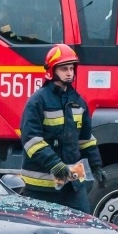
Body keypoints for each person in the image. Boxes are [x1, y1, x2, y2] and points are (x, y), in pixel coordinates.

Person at [19, 43, 105, 213]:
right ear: (52, 71)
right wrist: (56, 165)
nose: (69, 73)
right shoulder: (38, 101)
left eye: (72, 69)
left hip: (72, 184)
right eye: (64, 69)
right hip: (41, 187)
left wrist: (97, 166)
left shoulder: (78, 102)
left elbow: (85, 139)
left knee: (83, 227)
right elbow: (31, 141)